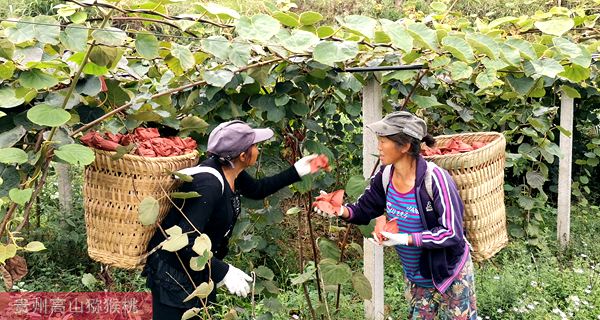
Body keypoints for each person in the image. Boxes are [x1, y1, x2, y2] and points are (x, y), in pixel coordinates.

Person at [143, 120, 325, 319]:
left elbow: (258, 190)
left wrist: (297, 171)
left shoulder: (231, 171)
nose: (258, 149)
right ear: (242, 155)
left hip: (200, 267)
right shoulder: (209, 185)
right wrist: (224, 271)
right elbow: (184, 241)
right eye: (254, 146)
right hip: (174, 272)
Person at [313, 111, 477, 320]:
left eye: (383, 141)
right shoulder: (385, 176)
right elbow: (364, 210)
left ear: (405, 145)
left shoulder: (435, 180)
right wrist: (338, 209)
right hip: (418, 278)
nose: (379, 146)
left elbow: (452, 232)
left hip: (450, 275)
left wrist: (405, 239)